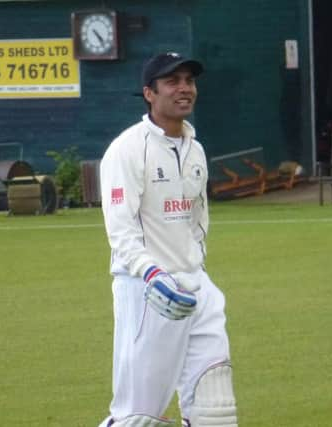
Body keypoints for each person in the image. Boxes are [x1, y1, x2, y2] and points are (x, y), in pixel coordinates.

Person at [97, 52, 238, 427]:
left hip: (196, 286)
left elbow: (198, 219)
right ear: (149, 93)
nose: (184, 89)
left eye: (189, 81)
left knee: (216, 408)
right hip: (148, 292)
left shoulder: (195, 148)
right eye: (172, 82)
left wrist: (197, 266)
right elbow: (120, 228)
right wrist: (151, 273)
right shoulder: (127, 149)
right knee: (139, 418)